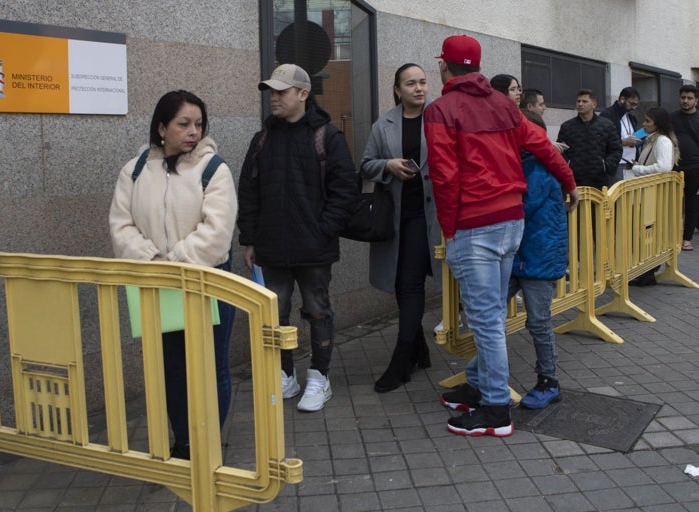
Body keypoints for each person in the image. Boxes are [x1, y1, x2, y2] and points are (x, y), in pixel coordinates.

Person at [425, 35, 577, 437]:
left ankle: (495, 409)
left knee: (487, 320)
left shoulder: (440, 110)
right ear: (477, 66)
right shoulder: (505, 105)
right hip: (511, 222)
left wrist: (449, 230)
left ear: (444, 66)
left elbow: (444, 175)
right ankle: (480, 389)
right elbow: (543, 145)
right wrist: (569, 181)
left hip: (475, 226)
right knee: (491, 315)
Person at [108, 90, 237, 459]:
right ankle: (184, 442)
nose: (193, 131)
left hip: (207, 280)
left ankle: (209, 444)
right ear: (162, 128)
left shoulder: (214, 169)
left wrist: (175, 259)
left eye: (199, 124)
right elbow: (121, 225)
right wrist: (151, 259)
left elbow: (217, 233)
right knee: (173, 368)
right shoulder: (134, 171)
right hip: (158, 283)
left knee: (211, 366)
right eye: (184, 124)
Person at [236, 63, 357, 412]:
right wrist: (250, 239)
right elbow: (249, 192)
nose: (273, 98)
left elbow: (344, 191)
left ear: (303, 94)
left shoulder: (327, 136)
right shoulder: (262, 140)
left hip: (314, 248)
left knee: (318, 311)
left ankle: (319, 377)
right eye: (271, 92)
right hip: (271, 248)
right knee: (276, 315)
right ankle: (285, 375)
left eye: (281, 92)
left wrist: (323, 230)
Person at [360, 63, 442, 393]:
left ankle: (401, 359)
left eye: (422, 82)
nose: (419, 88)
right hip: (395, 218)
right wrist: (388, 165)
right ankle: (419, 351)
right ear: (397, 89)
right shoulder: (384, 125)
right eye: (410, 83)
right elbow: (366, 164)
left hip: (429, 218)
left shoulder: (440, 116)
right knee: (401, 285)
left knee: (409, 285)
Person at [511, 109, 577, 409]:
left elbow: (519, 207)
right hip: (519, 256)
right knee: (488, 316)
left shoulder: (538, 169)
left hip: (538, 259)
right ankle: (478, 377)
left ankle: (549, 381)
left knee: (538, 321)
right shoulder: (524, 163)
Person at [623, 107, 680, 287]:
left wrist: (637, 169)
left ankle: (647, 272)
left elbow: (663, 167)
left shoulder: (662, 141)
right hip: (647, 193)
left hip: (652, 194)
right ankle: (645, 272)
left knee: (647, 233)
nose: (644, 124)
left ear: (658, 123)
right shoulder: (654, 140)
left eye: (648, 121)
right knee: (645, 232)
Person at [670, 85, 699, 251]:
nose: (685, 101)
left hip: (696, 168)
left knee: (692, 205)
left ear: (696, 101)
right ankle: (671, 237)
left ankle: (687, 239)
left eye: (689, 98)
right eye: (683, 97)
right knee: (671, 204)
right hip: (673, 168)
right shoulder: (671, 118)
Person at [557, 88, 622, 189]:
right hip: (573, 180)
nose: (580, 104)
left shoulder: (607, 126)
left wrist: (606, 166)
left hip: (600, 180)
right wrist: (567, 168)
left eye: (584, 101)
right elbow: (560, 151)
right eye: (578, 101)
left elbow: (616, 149)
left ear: (594, 104)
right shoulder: (567, 127)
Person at [599, 86, 642, 185]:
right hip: (616, 165)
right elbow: (601, 140)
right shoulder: (607, 114)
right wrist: (623, 142)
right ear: (622, 99)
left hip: (631, 164)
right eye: (632, 104)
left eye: (636, 105)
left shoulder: (631, 117)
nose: (634, 108)